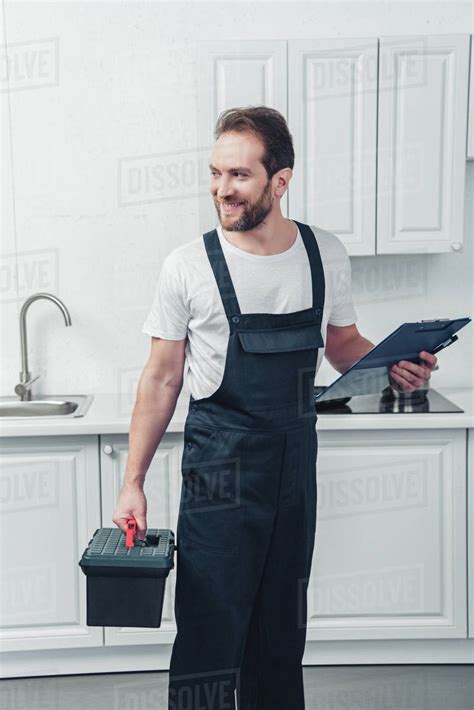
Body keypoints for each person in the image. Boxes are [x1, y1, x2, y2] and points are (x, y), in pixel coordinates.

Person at [113, 106, 437, 710]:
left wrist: (396, 369)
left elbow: (343, 345)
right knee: (210, 632)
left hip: (293, 468)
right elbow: (161, 378)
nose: (220, 189)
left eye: (238, 175)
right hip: (219, 471)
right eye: (215, 174)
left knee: (280, 636)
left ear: (279, 180)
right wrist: (132, 482)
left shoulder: (323, 254)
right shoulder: (188, 265)